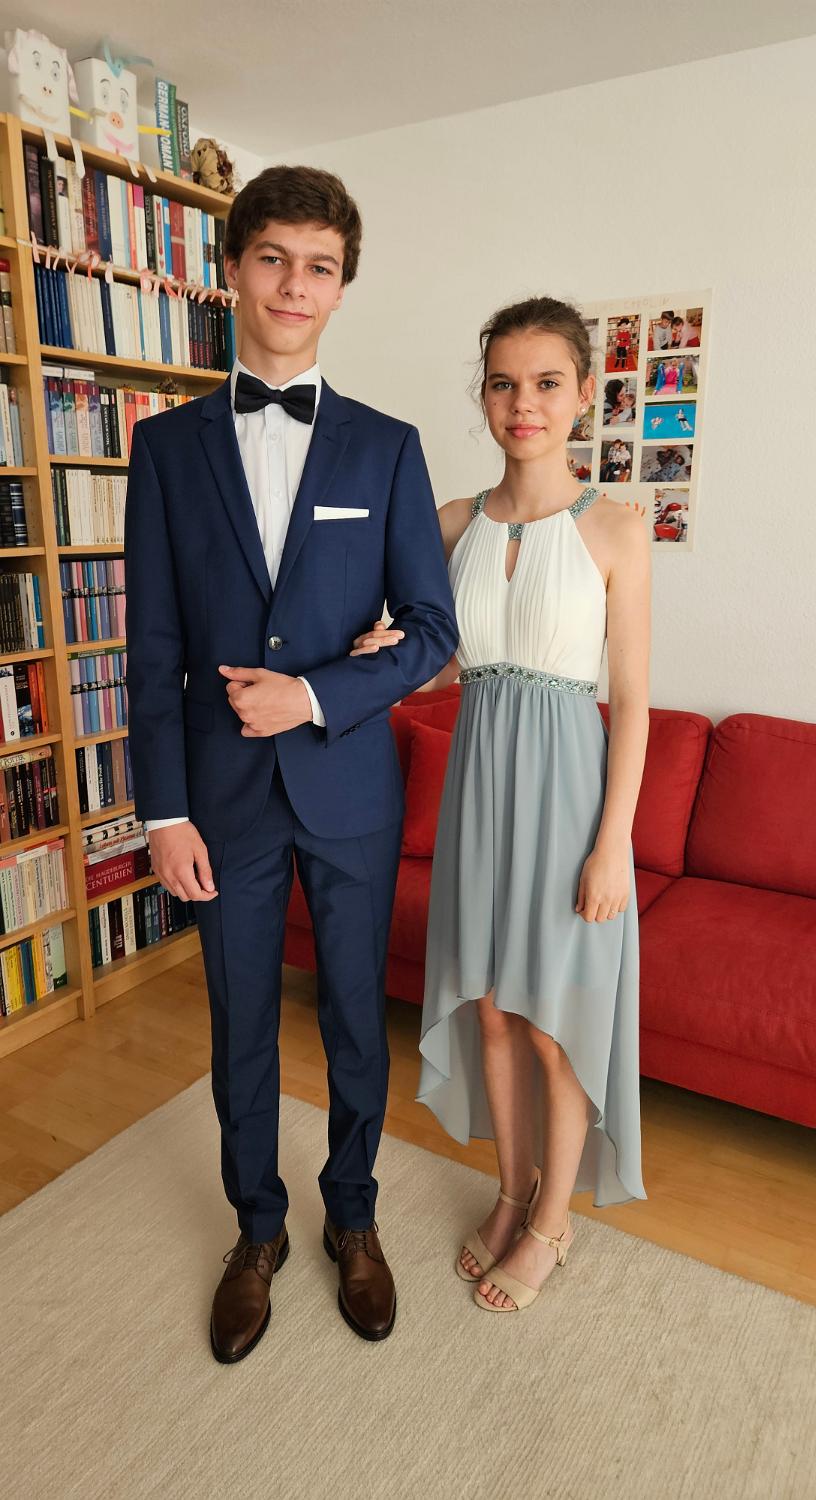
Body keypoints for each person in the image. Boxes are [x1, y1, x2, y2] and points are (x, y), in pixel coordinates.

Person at [125, 164, 458, 1362]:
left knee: (358, 1021)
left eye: (318, 266)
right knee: (240, 1027)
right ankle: (256, 1229)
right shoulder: (163, 449)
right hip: (218, 802)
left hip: (350, 788)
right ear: (233, 269)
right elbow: (150, 648)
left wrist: (315, 692)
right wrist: (160, 811)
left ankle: (351, 1216)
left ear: (340, 287)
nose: (293, 284)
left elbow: (431, 630)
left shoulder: (387, 449)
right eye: (272, 257)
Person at [354, 297, 649, 1314]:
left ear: (582, 395)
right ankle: (511, 1191)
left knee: (550, 1024)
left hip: (568, 792)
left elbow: (633, 701)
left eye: (545, 382)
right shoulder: (450, 523)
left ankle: (553, 1221)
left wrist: (614, 844)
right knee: (488, 1010)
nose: (523, 403)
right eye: (502, 383)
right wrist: (384, 655)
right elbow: (442, 665)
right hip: (477, 785)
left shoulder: (616, 528)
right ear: (483, 396)